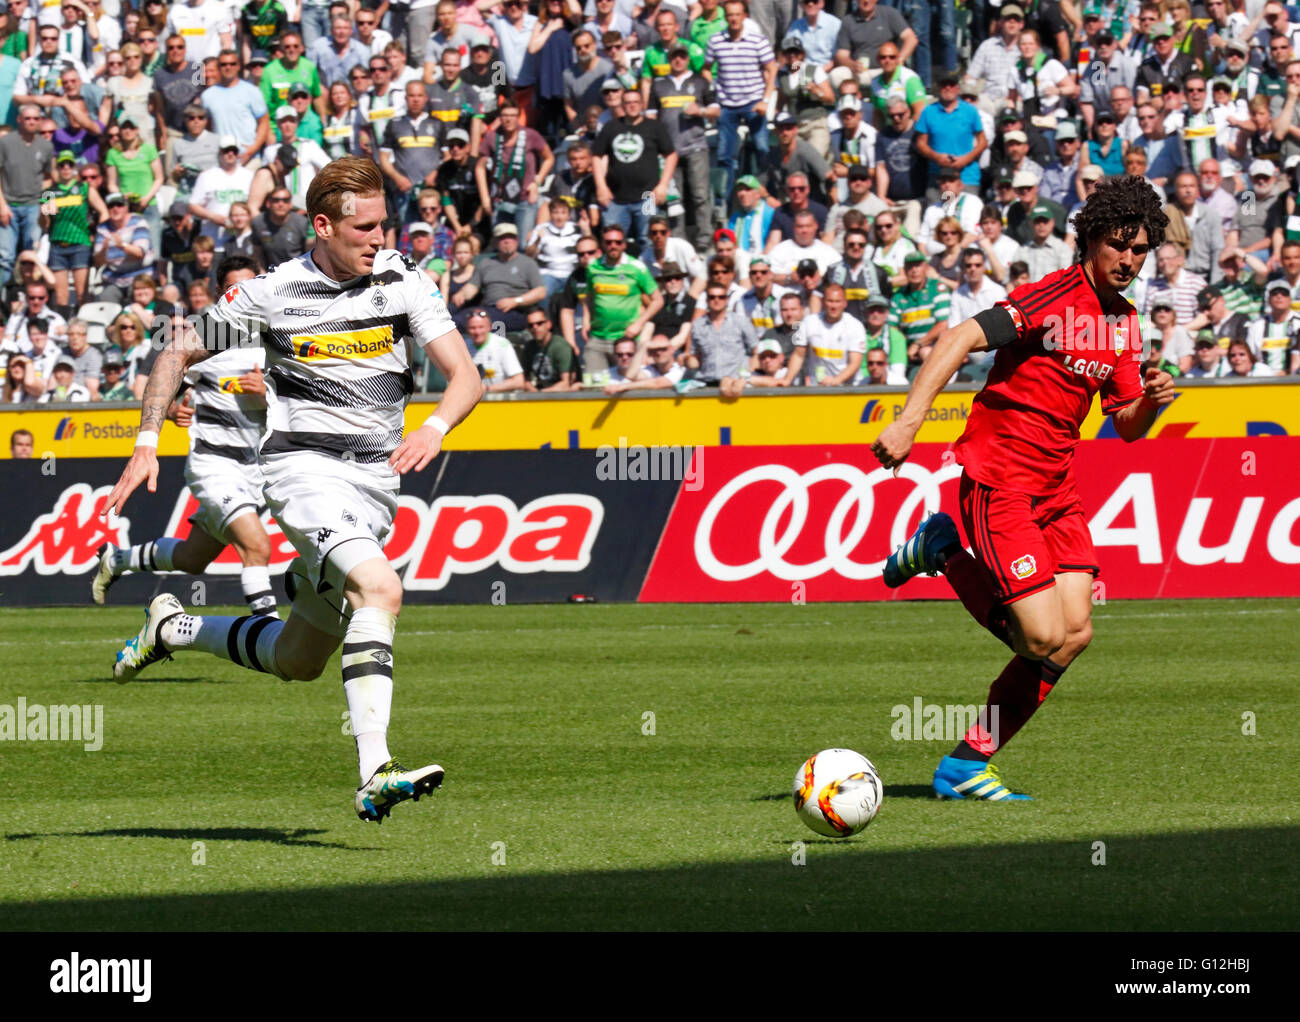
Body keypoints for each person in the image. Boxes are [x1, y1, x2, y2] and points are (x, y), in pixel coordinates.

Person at [101, 156, 483, 824]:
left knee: (298, 659)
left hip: (373, 484)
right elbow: (174, 350)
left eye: (381, 223)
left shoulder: (400, 275)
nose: (376, 237)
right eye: (362, 227)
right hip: (302, 472)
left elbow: (466, 376)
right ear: (324, 224)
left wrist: (436, 426)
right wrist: (145, 438)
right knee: (381, 589)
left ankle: (174, 626)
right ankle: (375, 771)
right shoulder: (272, 293)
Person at [872, 174, 1176, 803]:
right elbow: (959, 338)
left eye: (1141, 249)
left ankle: (965, 765)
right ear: (1090, 241)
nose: (1129, 259)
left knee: (1073, 636)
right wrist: (908, 422)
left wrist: (1151, 403)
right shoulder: (1051, 296)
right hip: (1000, 480)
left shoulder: (1125, 324)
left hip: (1057, 490)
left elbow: (1126, 427)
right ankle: (944, 549)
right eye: (1119, 245)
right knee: (1038, 637)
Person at [707, 0, 777, 203]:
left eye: (737, 14)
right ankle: (724, 204)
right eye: (730, 15)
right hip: (727, 104)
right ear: (725, 17)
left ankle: (765, 196)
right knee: (725, 156)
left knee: (763, 149)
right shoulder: (715, 41)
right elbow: (706, 68)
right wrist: (713, 95)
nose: (734, 19)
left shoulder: (757, 40)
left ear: (744, 16)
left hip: (753, 101)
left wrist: (765, 99)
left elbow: (772, 68)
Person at [593, 86, 676, 257]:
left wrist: (663, 185)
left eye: (636, 102)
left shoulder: (654, 127)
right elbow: (596, 156)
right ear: (622, 105)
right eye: (628, 102)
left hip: (647, 196)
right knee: (612, 242)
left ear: (642, 104)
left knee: (648, 241)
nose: (632, 106)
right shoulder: (611, 127)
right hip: (616, 197)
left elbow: (671, 155)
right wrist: (600, 187)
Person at [583, 222, 661, 376]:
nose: (613, 246)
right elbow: (589, 296)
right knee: (593, 387)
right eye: (609, 242)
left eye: (618, 242)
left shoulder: (636, 267)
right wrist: (586, 319)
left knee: (629, 385)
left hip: (627, 340)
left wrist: (639, 324)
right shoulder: (593, 267)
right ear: (602, 245)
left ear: (624, 245)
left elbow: (658, 300)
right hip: (599, 337)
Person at [0, 104, 53, 287]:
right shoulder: (6, 143)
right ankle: (5, 302)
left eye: (36, 118)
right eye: (28, 118)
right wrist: (2, 206)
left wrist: (45, 208)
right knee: (6, 256)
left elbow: (48, 180)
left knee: (32, 256)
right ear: (19, 120)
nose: (32, 122)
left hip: (33, 206)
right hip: (9, 205)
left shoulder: (46, 146)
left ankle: (30, 295)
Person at [915, 73, 987, 196]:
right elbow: (920, 143)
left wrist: (966, 159)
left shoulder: (970, 111)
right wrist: (937, 157)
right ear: (938, 88)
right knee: (937, 214)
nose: (948, 88)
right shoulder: (928, 111)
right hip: (939, 177)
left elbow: (983, 142)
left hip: (967, 176)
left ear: (958, 88)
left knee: (966, 213)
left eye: (951, 85)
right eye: (944, 85)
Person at [793, 281, 863, 386]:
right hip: (816, 387)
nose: (833, 306)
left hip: (848, 388)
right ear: (823, 302)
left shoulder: (855, 326)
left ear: (845, 303)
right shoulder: (809, 322)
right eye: (830, 301)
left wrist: (836, 381)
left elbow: (855, 363)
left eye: (837, 301)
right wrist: (787, 380)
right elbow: (798, 355)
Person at [1015, 204, 1073, 282]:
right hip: (1029, 292)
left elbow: (1066, 279)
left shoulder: (1063, 249)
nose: (1041, 225)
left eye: (1045, 221)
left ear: (1052, 223)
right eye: (1037, 222)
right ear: (1031, 224)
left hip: (1053, 292)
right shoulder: (1023, 250)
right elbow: (1013, 278)